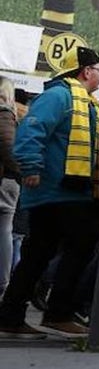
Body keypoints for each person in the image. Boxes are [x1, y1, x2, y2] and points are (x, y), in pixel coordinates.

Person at [0, 47, 99, 339]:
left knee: (39, 253)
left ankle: (11, 316)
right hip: (57, 191)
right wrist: (31, 166)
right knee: (80, 244)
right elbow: (31, 131)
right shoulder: (59, 97)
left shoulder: (86, 104)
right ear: (86, 72)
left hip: (63, 192)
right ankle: (57, 313)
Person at [0, 77, 18, 300]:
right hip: (6, 181)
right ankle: (2, 283)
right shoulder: (5, 112)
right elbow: (8, 147)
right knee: (5, 231)